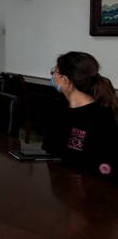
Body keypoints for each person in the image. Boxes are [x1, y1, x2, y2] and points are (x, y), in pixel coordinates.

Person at [42, 51, 118, 179]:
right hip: (60, 181)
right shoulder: (59, 109)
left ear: (65, 79)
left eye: (55, 72)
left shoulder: (101, 117)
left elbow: (104, 167)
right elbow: (49, 149)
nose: (52, 76)